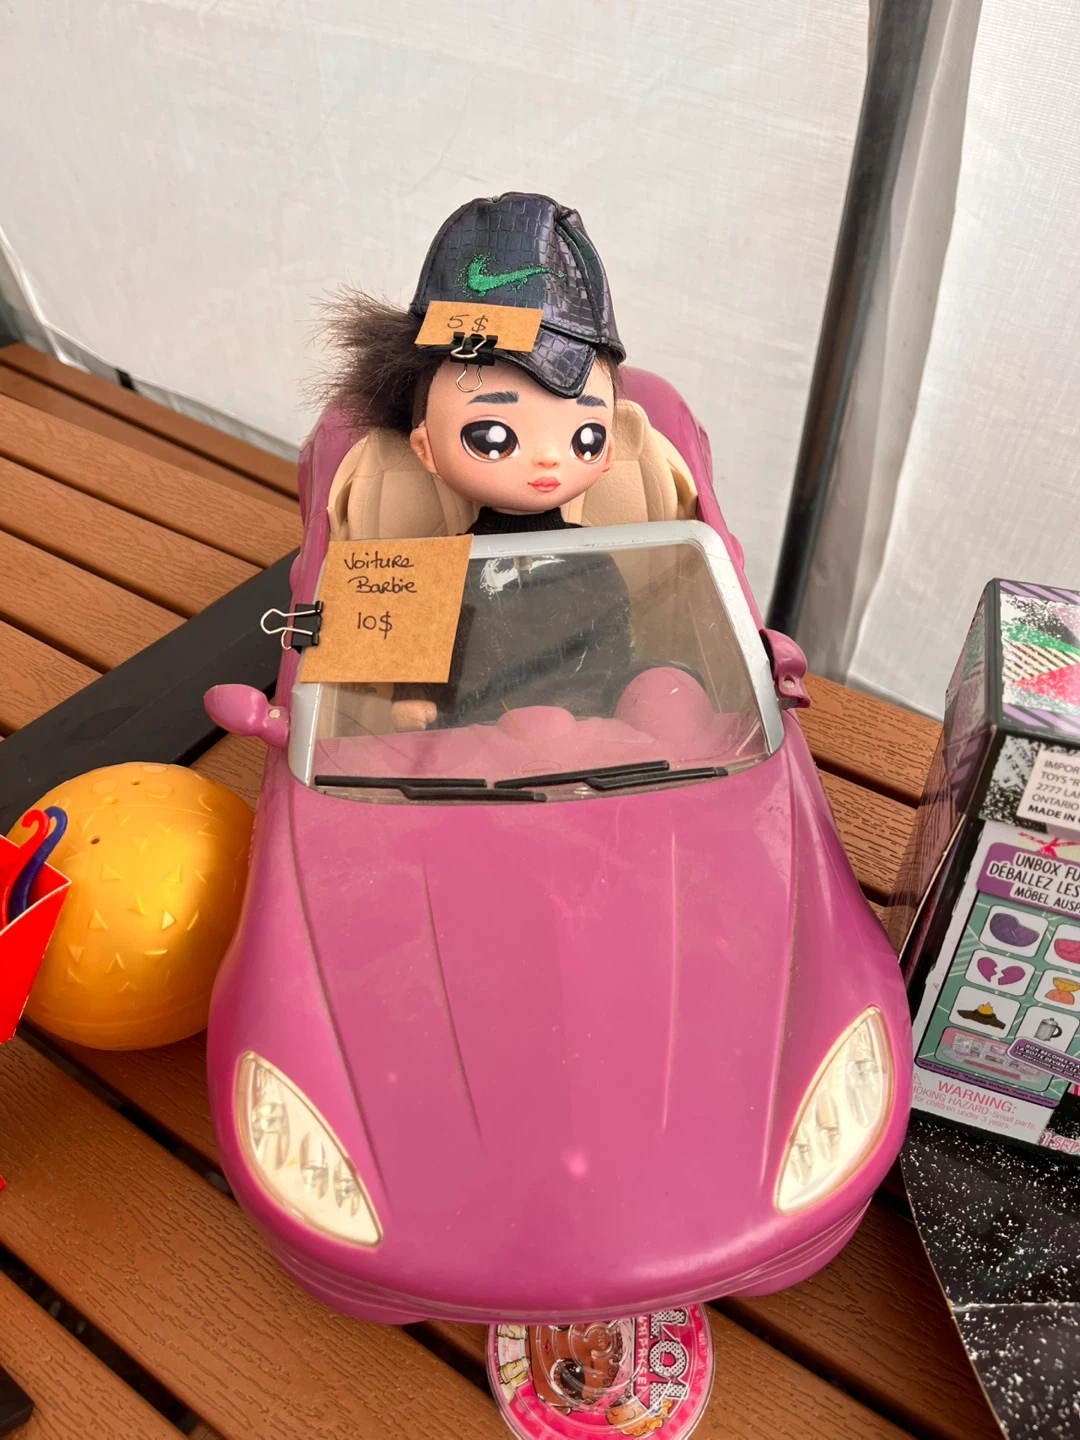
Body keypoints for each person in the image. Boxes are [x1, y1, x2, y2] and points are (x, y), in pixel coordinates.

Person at [322, 192, 636, 730]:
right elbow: (421, 643)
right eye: (491, 438)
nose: (546, 458)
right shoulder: (440, 568)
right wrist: (415, 694)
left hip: (582, 723)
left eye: (585, 437)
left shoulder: (593, 563)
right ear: (425, 447)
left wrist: (617, 696)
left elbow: (612, 642)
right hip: (472, 728)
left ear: (607, 451)